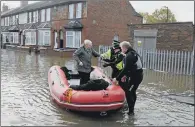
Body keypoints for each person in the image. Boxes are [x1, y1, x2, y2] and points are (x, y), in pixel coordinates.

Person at [113, 41, 143, 115]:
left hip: (136, 77)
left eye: (121, 48)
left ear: (125, 48)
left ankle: (131, 112)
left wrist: (117, 78)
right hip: (136, 75)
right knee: (132, 91)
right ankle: (131, 108)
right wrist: (125, 76)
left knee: (129, 92)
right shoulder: (134, 53)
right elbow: (132, 67)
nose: (121, 50)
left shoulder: (129, 55)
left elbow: (126, 69)